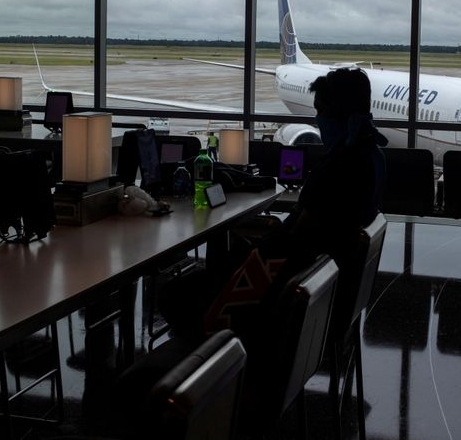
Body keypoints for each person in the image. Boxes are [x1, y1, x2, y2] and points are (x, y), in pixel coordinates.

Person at [157, 67, 387, 348]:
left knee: (175, 294)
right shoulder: (372, 156)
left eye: (321, 112)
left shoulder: (340, 166)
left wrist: (256, 249)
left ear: (338, 112)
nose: (318, 121)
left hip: (289, 289)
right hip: (323, 281)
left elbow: (299, 241)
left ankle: (211, 366)